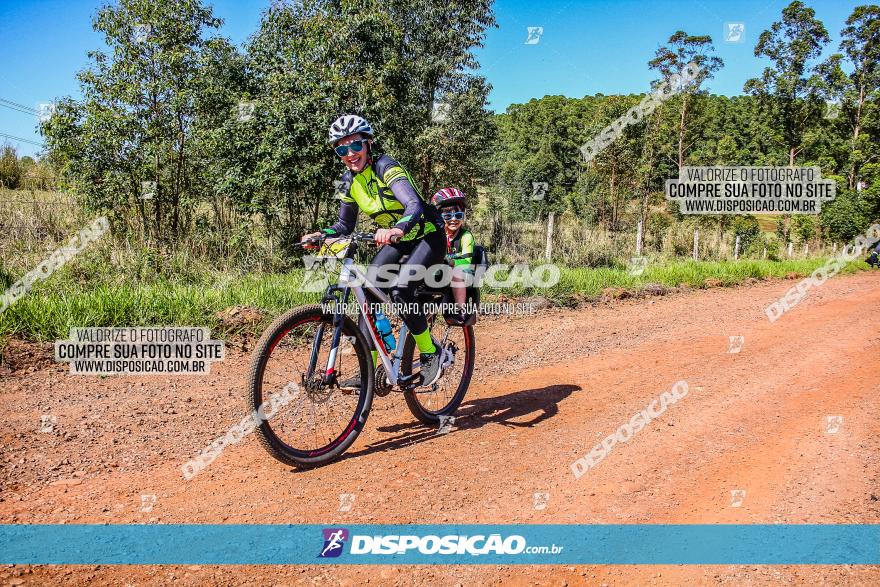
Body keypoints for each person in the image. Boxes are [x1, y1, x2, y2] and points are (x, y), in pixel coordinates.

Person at [301, 114, 446, 386]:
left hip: (427, 235)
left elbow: (413, 204)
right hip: (397, 240)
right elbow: (344, 224)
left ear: (368, 144)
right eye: (341, 149)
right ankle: (369, 369)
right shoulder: (346, 181)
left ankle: (430, 352)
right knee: (368, 297)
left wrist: (398, 228)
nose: (349, 154)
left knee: (401, 289)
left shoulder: (386, 166)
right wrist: (322, 235)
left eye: (355, 145)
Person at [431, 188, 475, 324]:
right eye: (448, 216)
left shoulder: (466, 236)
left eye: (459, 215)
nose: (454, 220)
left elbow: (467, 261)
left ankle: (460, 310)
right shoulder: (435, 235)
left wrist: (450, 262)